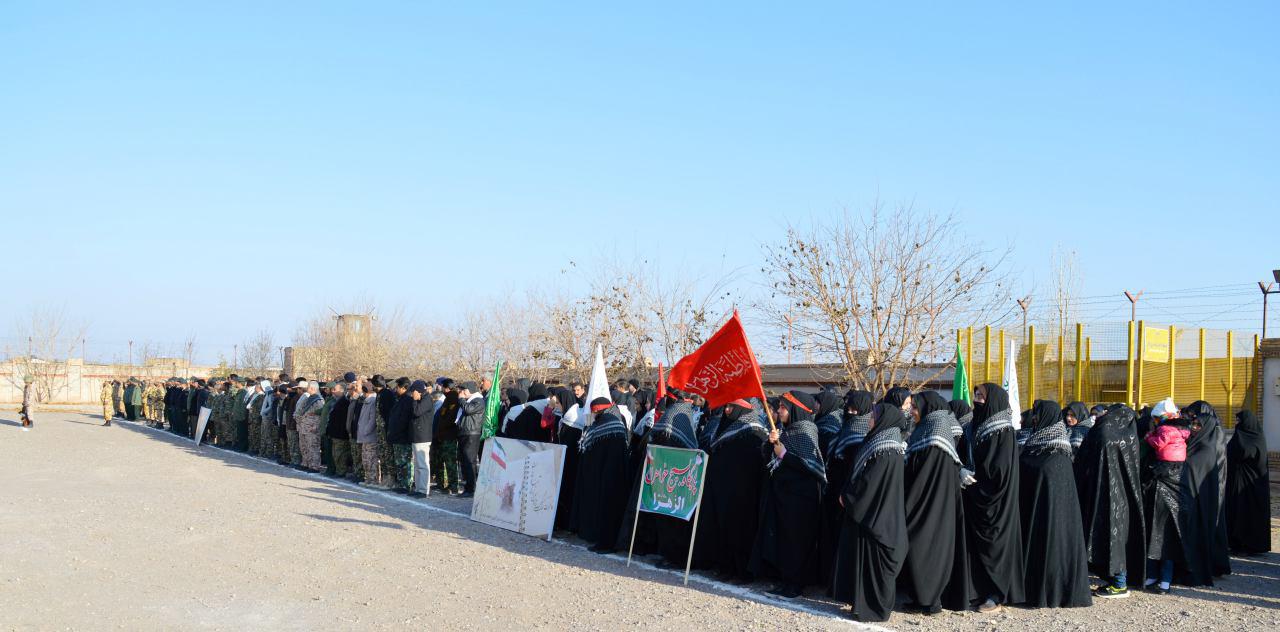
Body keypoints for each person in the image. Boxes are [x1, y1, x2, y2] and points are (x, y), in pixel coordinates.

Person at [830, 400, 909, 622]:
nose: (870, 420)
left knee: (875, 563)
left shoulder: (886, 447)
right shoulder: (879, 440)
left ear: (884, 419)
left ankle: (874, 610)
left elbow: (871, 483)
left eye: (873, 416)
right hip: (873, 513)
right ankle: (861, 605)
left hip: (878, 516)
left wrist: (849, 497)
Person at [900, 391, 972, 613]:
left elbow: (927, 472)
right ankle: (920, 597)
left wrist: (908, 501)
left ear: (928, 408)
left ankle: (930, 601)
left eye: (915, 407)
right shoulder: (925, 427)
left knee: (927, 548)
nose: (912, 412)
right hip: (924, 501)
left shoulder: (937, 432)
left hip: (931, 504)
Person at [749, 390, 825, 599]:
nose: (780, 411)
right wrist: (770, 443)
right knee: (784, 539)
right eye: (780, 406)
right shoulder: (785, 430)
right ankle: (785, 580)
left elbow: (809, 466)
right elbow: (768, 459)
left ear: (796, 409)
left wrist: (783, 454)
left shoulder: (806, 430)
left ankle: (796, 584)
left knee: (797, 541)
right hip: (784, 495)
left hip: (800, 498)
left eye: (784, 407)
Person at [1018, 400, 1091, 608]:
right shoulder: (1034, 444)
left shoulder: (1058, 453)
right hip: (1032, 514)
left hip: (1052, 519)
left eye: (1038, 414)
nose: (1034, 418)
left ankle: (1050, 592)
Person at [963, 383, 1025, 613]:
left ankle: (996, 595)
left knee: (995, 546)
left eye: (982, 396)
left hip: (995, 500)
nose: (977, 399)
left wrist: (976, 481)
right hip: (976, 495)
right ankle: (979, 591)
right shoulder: (977, 426)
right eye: (976, 395)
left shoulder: (1003, 431)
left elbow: (998, 470)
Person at [1075, 403, 1146, 599]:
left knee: (1106, 537)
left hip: (1100, 493)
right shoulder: (1129, 436)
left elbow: (1084, 460)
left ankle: (1118, 583)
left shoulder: (1103, 431)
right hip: (1122, 496)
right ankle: (1117, 580)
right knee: (1117, 538)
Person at [699, 397, 768, 583]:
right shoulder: (725, 427)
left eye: (731, 406)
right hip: (723, 491)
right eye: (726, 406)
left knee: (741, 532)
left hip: (743, 494)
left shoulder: (754, 430)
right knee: (723, 529)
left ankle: (742, 572)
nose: (727, 410)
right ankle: (726, 566)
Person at [818, 390, 873, 589]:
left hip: (851, 491)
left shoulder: (864, 433)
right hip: (835, 488)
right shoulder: (845, 428)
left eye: (855, 410)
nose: (850, 413)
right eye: (848, 408)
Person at [1177, 400, 1231, 585]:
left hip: (1207, 489)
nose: (1193, 425)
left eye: (1196, 421)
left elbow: (1210, 464)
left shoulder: (1213, 434)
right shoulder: (1203, 436)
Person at [572, 397, 630, 553]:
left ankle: (604, 543)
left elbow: (590, 450)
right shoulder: (617, 422)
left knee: (605, 509)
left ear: (597, 410)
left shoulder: (601, 425)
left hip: (602, 475)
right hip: (617, 474)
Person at [1225, 410, 1271, 555]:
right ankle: (1236, 543)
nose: (1236, 423)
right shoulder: (1239, 436)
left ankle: (1250, 544)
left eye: (1239, 421)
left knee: (1249, 513)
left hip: (1252, 487)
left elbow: (1246, 453)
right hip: (1237, 482)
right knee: (1236, 511)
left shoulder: (1255, 438)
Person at [552, 386, 583, 531]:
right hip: (567, 461)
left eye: (558, 403)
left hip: (570, 462)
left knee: (567, 491)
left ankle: (565, 523)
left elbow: (568, 444)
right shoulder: (567, 416)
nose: (557, 406)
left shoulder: (573, 420)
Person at [455, 381, 486, 498]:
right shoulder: (468, 401)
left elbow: (468, 410)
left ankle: (471, 488)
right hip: (465, 433)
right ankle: (467, 486)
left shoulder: (478, 400)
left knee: (470, 461)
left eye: (463, 390)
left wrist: (461, 400)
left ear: (469, 390)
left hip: (472, 434)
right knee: (464, 461)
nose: (461, 392)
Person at [386, 377, 415, 493]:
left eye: (398, 387)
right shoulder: (400, 399)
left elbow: (404, 420)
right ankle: (401, 483)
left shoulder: (408, 400)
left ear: (404, 388)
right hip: (397, 437)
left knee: (405, 463)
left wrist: (397, 432)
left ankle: (406, 485)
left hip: (403, 437)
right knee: (399, 462)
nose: (396, 389)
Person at [432, 380, 460, 494]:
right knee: (439, 460)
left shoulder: (453, 398)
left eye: (442, 387)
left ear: (447, 388)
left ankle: (453, 486)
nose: (441, 389)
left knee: (450, 462)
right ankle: (441, 484)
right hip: (441, 435)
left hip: (448, 436)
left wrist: (441, 429)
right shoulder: (448, 398)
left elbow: (450, 418)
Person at [408, 380, 435, 497]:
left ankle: (423, 490)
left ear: (418, 391)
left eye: (413, 392)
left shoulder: (427, 399)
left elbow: (417, 412)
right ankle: (418, 488)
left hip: (423, 437)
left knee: (423, 465)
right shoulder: (421, 399)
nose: (412, 395)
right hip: (417, 436)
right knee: (417, 464)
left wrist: (414, 400)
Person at [294, 381, 325, 472]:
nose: (307, 389)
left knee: (313, 447)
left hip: (312, 428)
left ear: (312, 388)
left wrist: (316, 427)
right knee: (304, 446)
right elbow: (301, 411)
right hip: (304, 427)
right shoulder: (308, 398)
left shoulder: (319, 400)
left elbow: (321, 416)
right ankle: (306, 463)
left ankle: (314, 466)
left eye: (308, 387)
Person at [355, 382, 381, 485]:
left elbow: (372, 419)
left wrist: (365, 431)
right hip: (364, 436)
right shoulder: (367, 400)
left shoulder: (372, 401)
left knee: (371, 459)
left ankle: (373, 479)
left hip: (370, 436)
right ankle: (368, 478)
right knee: (366, 459)